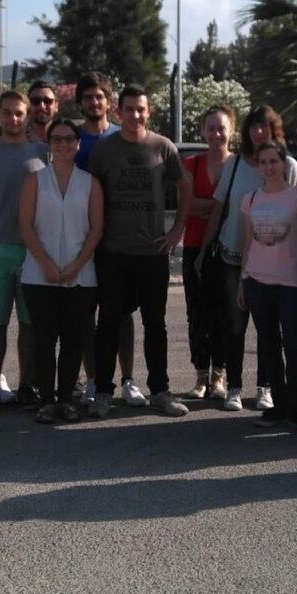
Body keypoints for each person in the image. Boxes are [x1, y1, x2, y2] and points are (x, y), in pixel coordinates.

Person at [86, 84, 193, 417]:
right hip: (112, 252)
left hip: (152, 253)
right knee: (108, 323)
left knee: (155, 325)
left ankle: (160, 390)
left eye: (141, 109)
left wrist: (176, 231)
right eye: (129, 109)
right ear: (119, 111)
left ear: (149, 112)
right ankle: (103, 392)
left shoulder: (163, 147)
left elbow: (185, 187)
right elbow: (90, 194)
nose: (135, 115)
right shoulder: (103, 151)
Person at [197, 104, 297, 411]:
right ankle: (235, 387)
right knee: (235, 326)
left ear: (274, 129)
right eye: (253, 126)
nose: (258, 132)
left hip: (273, 261)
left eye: (264, 126)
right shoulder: (235, 163)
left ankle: (265, 387)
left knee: (268, 328)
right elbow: (219, 208)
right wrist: (204, 250)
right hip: (233, 256)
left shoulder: (288, 165)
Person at [0, 89, 50, 416]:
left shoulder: (43, 152)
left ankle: (26, 385)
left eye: (19, 113)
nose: (13, 118)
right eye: (7, 113)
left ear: (27, 116)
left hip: (34, 252)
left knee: (30, 323)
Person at [18, 117, 103, 423]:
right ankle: (46, 400)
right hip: (38, 275)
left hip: (81, 276)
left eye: (69, 139)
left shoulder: (90, 183)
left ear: (78, 144)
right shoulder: (34, 181)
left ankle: (66, 399)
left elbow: (96, 230)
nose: (64, 144)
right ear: (49, 144)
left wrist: (75, 267)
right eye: (57, 139)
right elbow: (25, 226)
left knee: (73, 340)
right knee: (43, 340)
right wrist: (47, 265)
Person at [236, 141, 297, 432]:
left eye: (274, 161)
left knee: (294, 347)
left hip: (292, 284)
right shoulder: (250, 199)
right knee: (268, 346)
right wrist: (242, 281)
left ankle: (296, 408)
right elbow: (248, 243)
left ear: (284, 163)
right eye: (263, 162)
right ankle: (279, 406)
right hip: (257, 283)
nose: (269, 167)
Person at [73, 71, 140, 403]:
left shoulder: (123, 136)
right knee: (86, 313)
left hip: (119, 240)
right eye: (88, 97)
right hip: (80, 238)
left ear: (109, 101)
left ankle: (128, 380)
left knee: (122, 313)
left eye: (99, 96)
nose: (94, 102)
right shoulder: (70, 139)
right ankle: (92, 379)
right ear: (80, 102)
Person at [180, 104, 235, 402]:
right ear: (203, 131)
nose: (216, 134)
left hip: (228, 248)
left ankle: (220, 376)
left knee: (224, 314)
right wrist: (218, 207)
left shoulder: (239, 165)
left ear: (231, 131)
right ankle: (201, 375)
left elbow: (238, 205)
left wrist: (206, 206)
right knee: (197, 313)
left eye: (221, 128)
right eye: (211, 128)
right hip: (194, 246)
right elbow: (186, 204)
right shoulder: (191, 164)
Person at [25, 79, 60, 144]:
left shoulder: (65, 139)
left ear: (56, 106)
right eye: (36, 101)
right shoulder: (17, 139)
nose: (42, 106)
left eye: (48, 101)